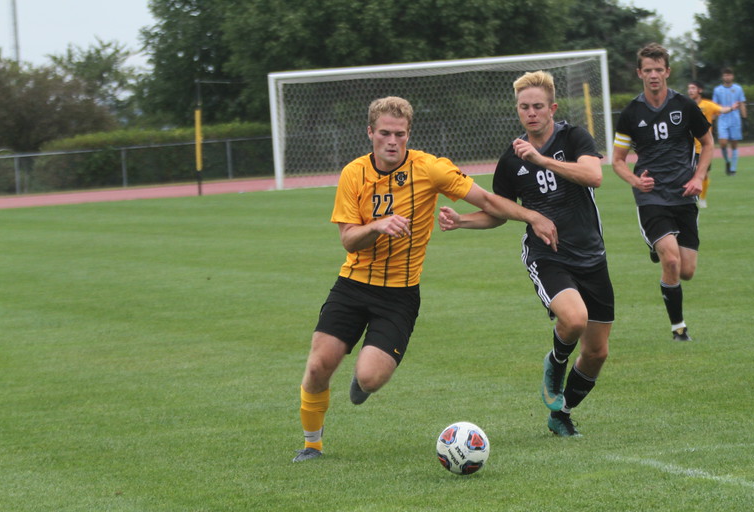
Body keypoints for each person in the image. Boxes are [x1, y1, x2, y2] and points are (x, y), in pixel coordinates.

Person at [294, 96, 559, 462]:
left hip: (399, 295)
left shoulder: (430, 169)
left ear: (408, 135)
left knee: (370, 378)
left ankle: (363, 379)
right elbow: (348, 238)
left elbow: (486, 199)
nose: (392, 141)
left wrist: (532, 216)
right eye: (384, 133)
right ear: (370, 133)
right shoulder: (353, 174)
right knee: (319, 363)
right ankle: (312, 445)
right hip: (353, 285)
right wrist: (378, 226)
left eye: (399, 134)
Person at [437, 71, 612, 438]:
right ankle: (555, 362)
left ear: (552, 108)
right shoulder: (511, 159)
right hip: (547, 255)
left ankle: (561, 413)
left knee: (597, 354)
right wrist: (461, 222)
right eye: (523, 107)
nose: (530, 113)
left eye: (537, 107)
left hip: (592, 255)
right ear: (517, 110)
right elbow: (498, 212)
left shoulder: (573, 136)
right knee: (574, 319)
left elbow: (594, 176)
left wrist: (541, 159)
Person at [612, 43, 713, 341]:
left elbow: (707, 144)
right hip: (651, 197)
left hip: (683, 194)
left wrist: (699, 177)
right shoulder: (631, 113)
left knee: (686, 271)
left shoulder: (684, 105)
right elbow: (617, 161)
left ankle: (660, 245)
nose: (653, 75)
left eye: (658, 69)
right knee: (670, 260)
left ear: (667, 71)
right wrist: (635, 181)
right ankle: (678, 328)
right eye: (648, 70)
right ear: (639, 73)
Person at [687, 80, 737, 207]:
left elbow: (721, 109)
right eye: (689, 88)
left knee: (703, 175)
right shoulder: (685, 105)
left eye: (693, 88)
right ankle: (689, 198)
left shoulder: (708, 105)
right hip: (687, 148)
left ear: (700, 90)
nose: (690, 91)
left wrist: (731, 108)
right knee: (687, 174)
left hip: (704, 147)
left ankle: (702, 199)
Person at [712, 67, 747, 176]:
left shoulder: (738, 88)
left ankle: (733, 168)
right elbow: (714, 106)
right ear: (723, 77)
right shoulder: (717, 90)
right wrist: (712, 120)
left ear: (732, 76)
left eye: (729, 75)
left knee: (734, 145)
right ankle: (727, 161)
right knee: (722, 143)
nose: (727, 77)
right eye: (725, 75)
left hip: (735, 120)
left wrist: (745, 118)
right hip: (723, 119)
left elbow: (742, 103)